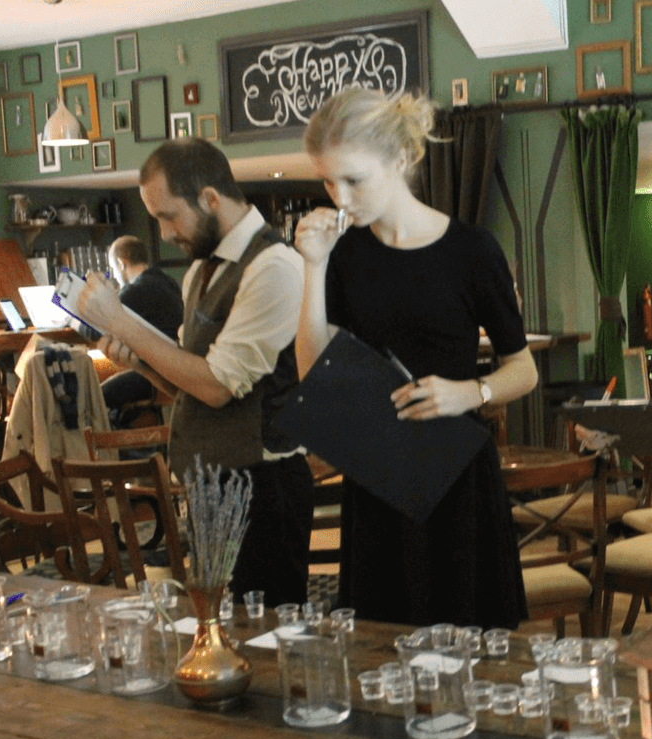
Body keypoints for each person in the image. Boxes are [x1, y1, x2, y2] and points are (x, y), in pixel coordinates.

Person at [293, 88, 534, 627]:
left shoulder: (472, 251)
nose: (340, 198)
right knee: (382, 643)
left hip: (458, 477)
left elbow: (524, 370)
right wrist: (313, 266)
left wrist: (470, 392)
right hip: (378, 476)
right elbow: (313, 374)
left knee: (473, 642)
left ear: (400, 159)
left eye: (354, 180)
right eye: (328, 182)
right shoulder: (342, 255)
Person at [74, 138, 312, 606]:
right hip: (211, 481)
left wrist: (121, 319)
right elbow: (191, 382)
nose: (164, 234)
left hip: (263, 485)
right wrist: (141, 362)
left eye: (168, 216)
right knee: (216, 622)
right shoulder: (201, 270)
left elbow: (218, 386)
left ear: (209, 198)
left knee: (264, 632)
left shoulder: (275, 266)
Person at [97, 235, 184, 426]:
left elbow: (96, 328)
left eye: (113, 268)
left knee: (97, 398)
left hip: (155, 375)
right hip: (178, 367)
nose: (114, 275)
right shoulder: (166, 281)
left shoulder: (135, 290)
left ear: (121, 264)